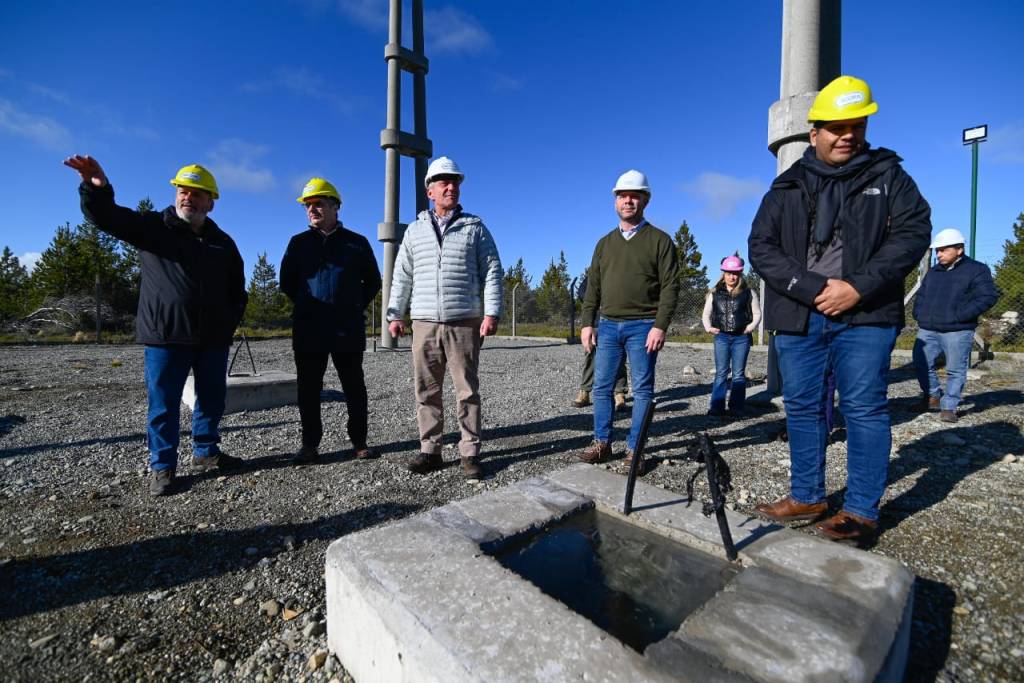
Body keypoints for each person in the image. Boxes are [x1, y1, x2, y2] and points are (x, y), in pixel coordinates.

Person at [747, 75, 932, 545]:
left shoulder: (888, 177)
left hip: (864, 316)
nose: (847, 134)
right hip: (799, 316)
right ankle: (807, 496)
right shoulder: (786, 186)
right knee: (804, 407)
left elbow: (912, 235)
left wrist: (857, 287)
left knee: (864, 407)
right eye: (835, 127)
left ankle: (860, 512)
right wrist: (810, 288)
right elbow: (761, 248)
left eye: (856, 125)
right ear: (814, 133)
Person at [63, 156, 248, 496]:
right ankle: (163, 467)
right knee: (163, 405)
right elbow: (106, 217)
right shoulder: (153, 228)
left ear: (211, 201)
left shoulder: (224, 243)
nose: (187, 197)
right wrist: (95, 188)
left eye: (196, 192)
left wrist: (227, 324)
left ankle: (206, 453)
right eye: (182, 190)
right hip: (166, 337)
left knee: (211, 399)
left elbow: (238, 289)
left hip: (212, 340)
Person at [386, 157, 503, 479]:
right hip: (424, 322)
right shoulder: (415, 231)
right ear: (430, 191)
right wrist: (395, 313)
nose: (450, 186)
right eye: (443, 182)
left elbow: (492, 270)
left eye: (454, 182)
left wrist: (491, 312)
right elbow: (402, 275)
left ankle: (469, 452)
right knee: (426, 390)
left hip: (464, 321)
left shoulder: (474, 227)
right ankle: (430, 450)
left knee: (467, 390)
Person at [578, 170, 679, 475]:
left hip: (644, 327)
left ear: (645, 199)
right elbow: (592, 286)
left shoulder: (660, 241)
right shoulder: (604, 244)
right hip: (608, 326)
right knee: (601, 387)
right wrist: (587, 323)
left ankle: (635, 450)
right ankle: (602, 443)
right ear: (615, 201)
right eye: (622, 196)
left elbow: (671, 286)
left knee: (644, 390)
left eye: (634, 195)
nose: (628, 201)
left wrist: (660, 325)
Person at [280, 178, 382, 463]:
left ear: (335, 206)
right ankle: (310, 444)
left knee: (354, 387)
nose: (312, 210)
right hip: (309, 329)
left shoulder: (356, 243)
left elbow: (372, 281)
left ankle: (359, 442)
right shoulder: (298, 244)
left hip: (346, 329)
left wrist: (351, 305)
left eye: (319, 204)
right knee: (309, 390)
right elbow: (287, 281)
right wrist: (307, 305)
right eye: (308, 206)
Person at [912, 228, 998, 423]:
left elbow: (988, 296)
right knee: (920, 362)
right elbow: (922, 295)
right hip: (928, 328)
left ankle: (949, 406)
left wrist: (961, 316)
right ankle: (932, 396)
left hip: (958, 330)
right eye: (937, 251)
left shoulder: (976, 270)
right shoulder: (934, 272)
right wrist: (919, 314)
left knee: (955, 369)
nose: (939, 254)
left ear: (959, 249)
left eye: (943, 250)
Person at [702, 255, 761, 416]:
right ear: (724, 274)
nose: (732, 276)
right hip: (721, 337)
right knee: (721, 372)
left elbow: (757, 313)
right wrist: (708, 328)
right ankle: (716, 407)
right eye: (728, 273)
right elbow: (706, 314)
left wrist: (750, 328)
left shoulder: (749, 293)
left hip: (741, 338)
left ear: (740, 274)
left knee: (738, 374)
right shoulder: (714, 293)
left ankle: (737, 407)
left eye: (735, 273)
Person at [574, 274, 629, 409]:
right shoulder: (596, 271)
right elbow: (582, 292)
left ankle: (619, 393)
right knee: (590, 357)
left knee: (619, 358)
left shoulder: (623, 272)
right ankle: (585, 391)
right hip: (597, 323)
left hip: (618, 322)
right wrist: (598, 305)